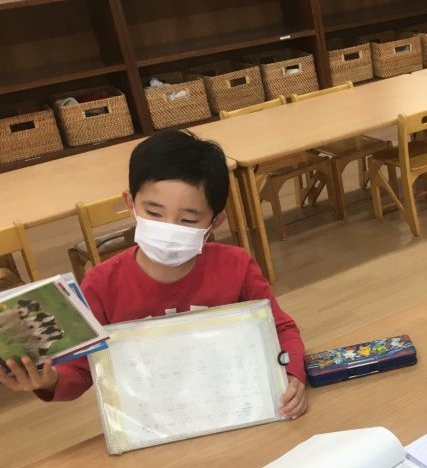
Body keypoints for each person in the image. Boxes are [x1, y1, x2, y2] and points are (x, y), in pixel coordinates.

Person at [0, 130, 309, 419]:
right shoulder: (102, 284)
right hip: (149, 421)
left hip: (233, 406)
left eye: (188, 220)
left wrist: (292, 373)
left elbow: (280, 328)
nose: (169, 228)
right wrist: (49, 379)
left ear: (215, 223)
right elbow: (80, 371)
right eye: (154, 213)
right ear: (130, 203)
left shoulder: (235, 266)